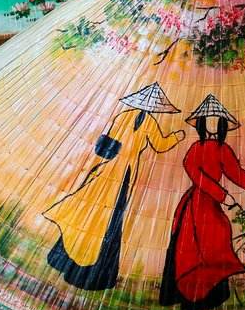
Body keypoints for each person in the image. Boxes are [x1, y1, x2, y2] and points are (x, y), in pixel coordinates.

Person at [44, 82, 185, 291]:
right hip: (117, 174)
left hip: (113, 172)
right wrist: (177, 136)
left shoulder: (129, 117)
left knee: (94, 215)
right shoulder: (142, 121)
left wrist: (174, 137)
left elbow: (115, 141)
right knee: (102, 218)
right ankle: (80, 266)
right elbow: (159, 144)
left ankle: (72, 263)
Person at [160, 94, 245, 310]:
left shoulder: (222, 149)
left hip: (213, 204)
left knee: (220, 235)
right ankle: (191, 296)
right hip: (196, 205)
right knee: (194, 245)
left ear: (223, 125)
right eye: (209, 121)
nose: (213, 125)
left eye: (218, 121)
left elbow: (235, 172)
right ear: (201, 123)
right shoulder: (195, 149)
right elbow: (197, 177)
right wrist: (224, 196)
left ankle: (215, 293)